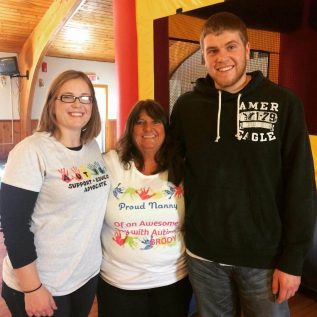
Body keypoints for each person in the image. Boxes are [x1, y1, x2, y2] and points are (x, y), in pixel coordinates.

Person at [170, 11, 317, 317]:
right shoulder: (186, 107)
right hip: (204, 255)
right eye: (212, 50)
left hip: (263, 257)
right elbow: (172, 166)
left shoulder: (284, 103)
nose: (222, 57)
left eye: (231, 47)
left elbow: (301, 186)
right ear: (203, 56)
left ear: (248, 50)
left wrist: (293, 260)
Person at [0, 70, 110, 317]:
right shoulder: (32, 150)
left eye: (85, 98)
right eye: (67, 97)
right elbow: (13, 225)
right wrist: (32, 288)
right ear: (52, 102)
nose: (77, 104)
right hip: (43, 282)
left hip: (84, 276)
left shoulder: (92, 147)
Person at [97, 99, 192, 317]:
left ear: (165, 128)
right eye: (140, 122)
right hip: (119, 284)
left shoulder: (182, 168)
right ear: (130, 129)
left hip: (172, 281)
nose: (148, 128)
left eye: (155, 121)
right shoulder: (112, 163)